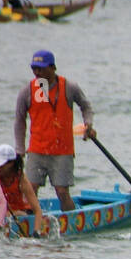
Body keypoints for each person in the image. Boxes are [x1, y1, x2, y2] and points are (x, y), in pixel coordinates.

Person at [14, 51, 95, 213]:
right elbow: (19, 120)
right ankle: (28, 224)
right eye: (34, 69)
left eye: (41, 69)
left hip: (62, 151)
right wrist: (20, 149)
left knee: (62, 191)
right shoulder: (28, 91)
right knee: (30, 190)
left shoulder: (70, 87)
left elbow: (86, 107)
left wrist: (88, 124)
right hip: (37, 150)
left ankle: (71, 223)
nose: (37, 73)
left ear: (53, 68)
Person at [0, 144, 48, 236]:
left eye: (1, 165)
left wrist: (36, 232)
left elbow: (37, 210)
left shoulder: (20, 178)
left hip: (20, 212)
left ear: (11, 164)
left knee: (20, 214)